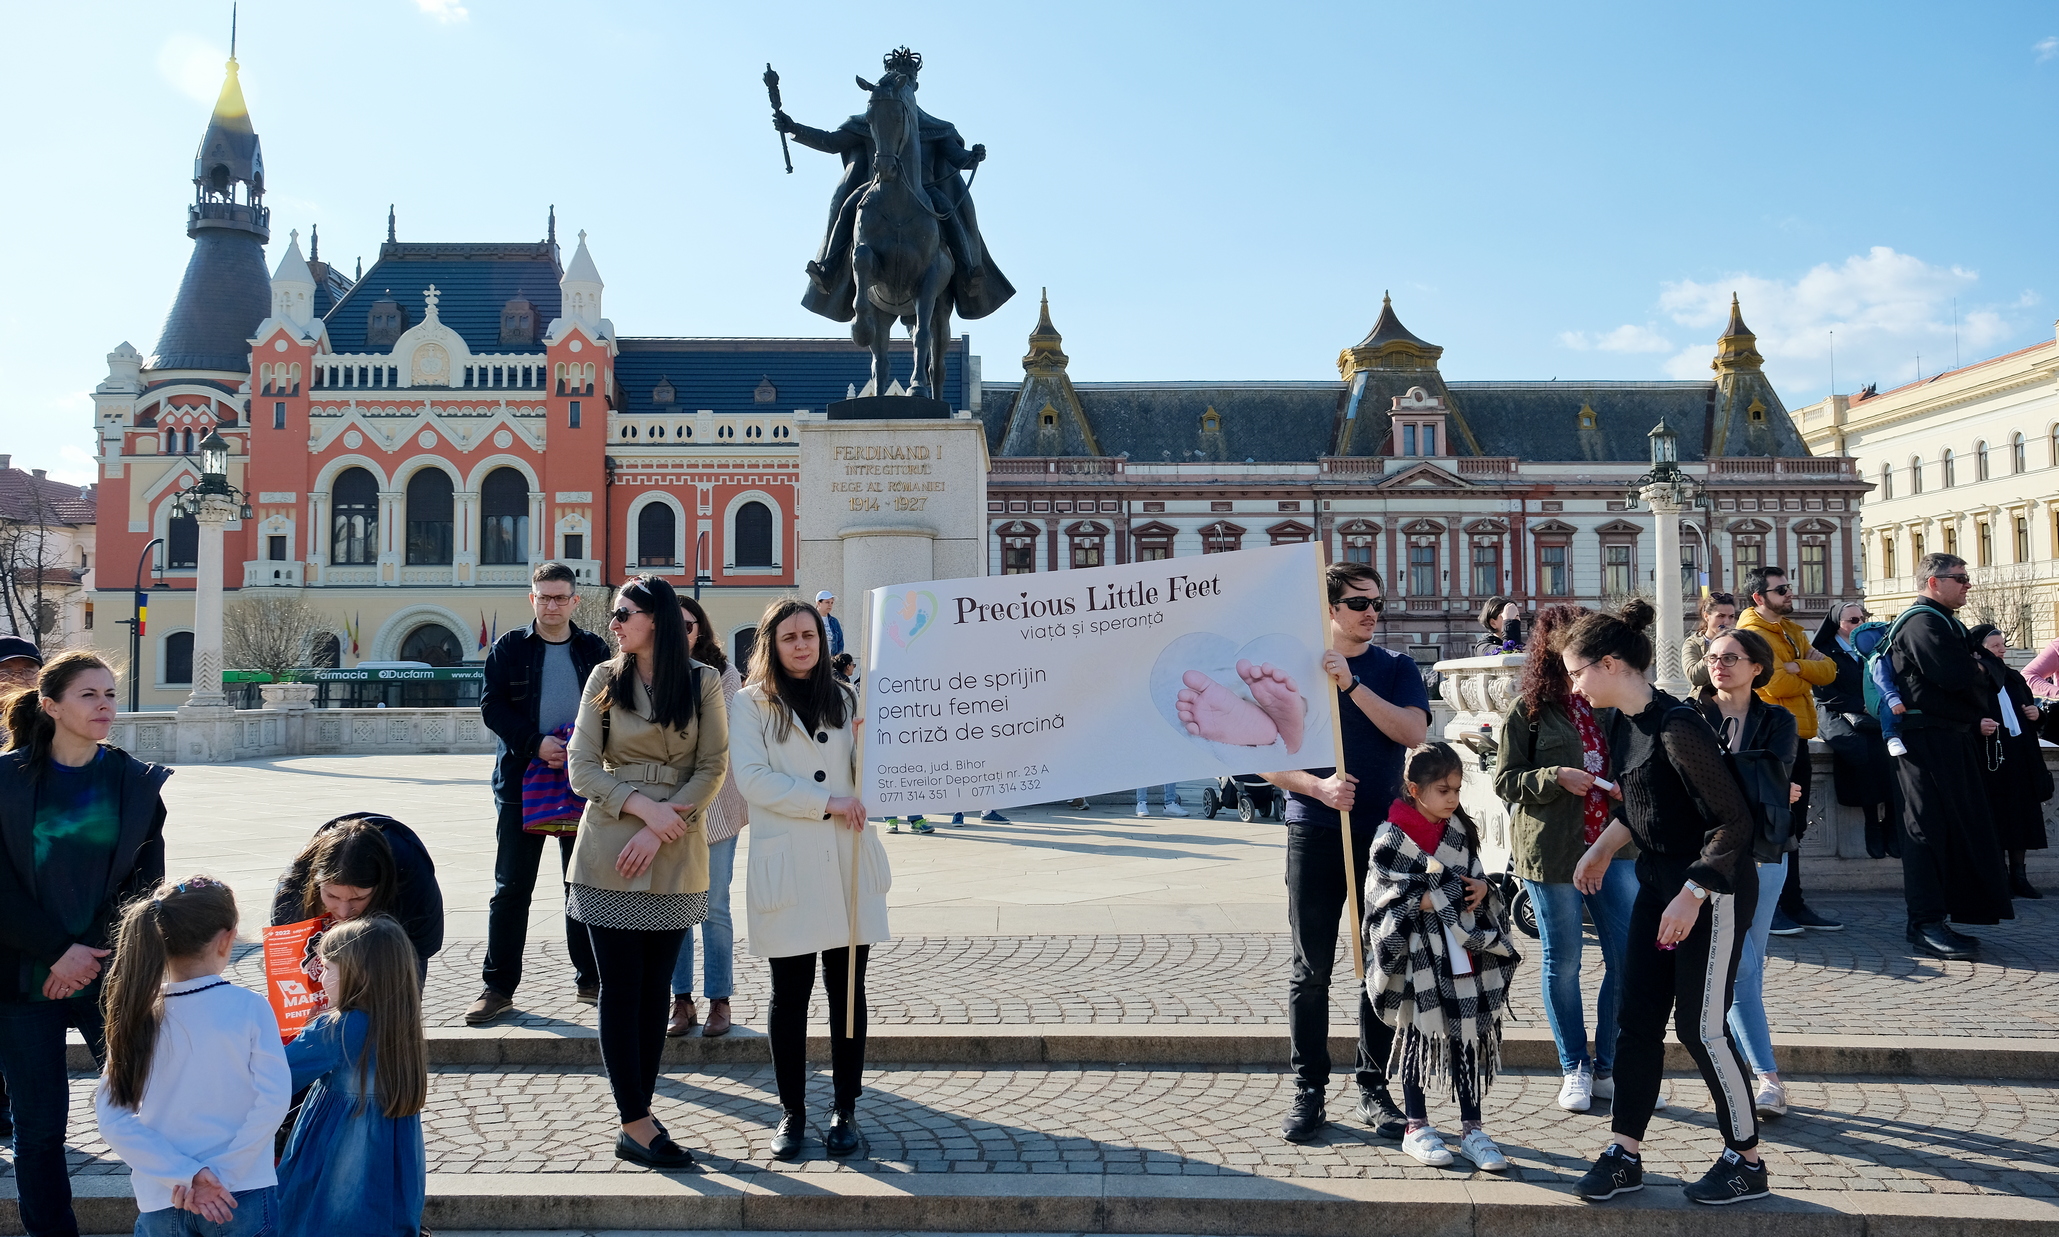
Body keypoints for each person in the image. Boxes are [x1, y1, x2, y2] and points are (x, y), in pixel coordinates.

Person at [1561, 600, 1770, 1206]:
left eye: (1577, 673)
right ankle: (1624, 1152)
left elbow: (1733, 823)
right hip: (1659, 886)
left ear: (1608, 664)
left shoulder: (1679, 726)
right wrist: (1601, 850)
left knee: (1701, 1028)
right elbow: (1642, 805)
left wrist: (1692, 894)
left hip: (1713, 890)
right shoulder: (1622, 723)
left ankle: (1747, 1161)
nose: (1574, 687)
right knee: (1637, 1022)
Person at [1257, 562, 1429, 1144]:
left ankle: (1373, 1087)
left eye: (1377, 602)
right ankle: (1309, 1089)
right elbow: (1261, 754)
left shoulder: (1396, 668)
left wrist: (1352, 685)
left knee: (1379, 962)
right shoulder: (1292, 671)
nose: (1371, 612)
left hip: (1383, 837)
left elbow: (1413, 733)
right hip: (1313, 829)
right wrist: (1316, 787)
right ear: (1329, 608)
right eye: (1358, 603)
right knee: (1311, 970)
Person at [0, 650, 168, 1237]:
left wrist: (85, 955)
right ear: (50, 706)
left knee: (150, 1109)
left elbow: (145, 885)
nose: (105, 706)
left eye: (110, 694)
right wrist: (55, 951)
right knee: (39, 1130)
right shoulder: (5, 781)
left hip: (108, 976)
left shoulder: (134, 782)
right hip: (21, 983)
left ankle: (171, 1223)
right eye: (89, 695)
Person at [565, 574, 727, 1169]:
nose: (613, 623)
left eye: (623, 612)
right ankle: (633, 1120)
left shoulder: (703, 681)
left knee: (657, 988)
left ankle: (641, 1115)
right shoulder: (604, 678)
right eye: (614, 613)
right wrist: (643, 809)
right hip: (611, 843)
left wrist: (662, 825)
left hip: (676, 844)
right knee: (621, 987)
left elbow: (713, 766)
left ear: (654, 618)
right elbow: (582, 767)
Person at [730, 597, 888, 1161]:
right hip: (791, 863)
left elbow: (868, 777)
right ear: (771, 644)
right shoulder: (751, 703)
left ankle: (846, 1107)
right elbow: (752, 778)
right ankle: (792, 1111)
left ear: (823, 641)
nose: (801, 645)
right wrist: (825, 802)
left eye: (810, 635)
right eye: (790, 637)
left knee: (847, 991)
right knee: (790, 993)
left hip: (847, 860)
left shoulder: (845, 698)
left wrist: (871, 743)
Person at [1493, 603, 1641, 1116]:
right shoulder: (1530, 710)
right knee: (1565, 960)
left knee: (1626, 956)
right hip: (1552, 849)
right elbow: (1504, 780)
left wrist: (1626, 785)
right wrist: (1553, 776)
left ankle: (1609, 1067)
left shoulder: (1613, 704)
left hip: (1615, 845)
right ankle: (1574, 1064)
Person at [95, 876, 291, 1237]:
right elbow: (274, 1099)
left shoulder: (136, 1013)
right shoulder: (249, 1007)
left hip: (163, 1195)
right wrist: (222, 1175)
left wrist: (187, 1175)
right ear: (226, 939)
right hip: (241, 1192)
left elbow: (113, 1120)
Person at [1367, 742, 1520, 1171]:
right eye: (1443, 790)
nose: (1452, 798)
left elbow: (1476, 877)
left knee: (1467, 1033)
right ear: (1415, 790)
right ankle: (1416, 1126)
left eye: (1456, 789)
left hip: (1462, 950)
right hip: (1415, 953)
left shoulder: (1458, 830)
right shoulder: (1390, 836)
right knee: (1417, 1034)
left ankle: (1472, 1129)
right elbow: (1381, 898)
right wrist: (1436, 897)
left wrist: (1483, 888)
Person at [472, 562, 611, 1024]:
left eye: (560, 597)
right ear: (532, 599)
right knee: (512, 887)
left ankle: (591, 979)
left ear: (574, 601)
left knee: (582, 884)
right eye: (544, 597)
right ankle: (497, 987)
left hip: (582, 780)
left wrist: (579, 748)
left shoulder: (594, 649)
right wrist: (536, 743)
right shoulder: (509, 648)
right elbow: (492, 706)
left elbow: (612, 706)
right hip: (520, 781)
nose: (552, 605)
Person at [1693, 628, 1800, 1121]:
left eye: (1731, 658)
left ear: (1757, 667)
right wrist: (1754, 778)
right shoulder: (1690, 713)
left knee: (1746, 964)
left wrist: (1728, 774)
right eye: (1713, 656)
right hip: (1708, 854)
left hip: (1764, 853)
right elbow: (1695, 782)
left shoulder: (1777, 719)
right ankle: (1766, 1077)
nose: (1719, 664)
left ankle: (1747, 1071)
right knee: (1741, 967)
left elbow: (1776, 777)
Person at [1885, 554, 2015, 959]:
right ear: (1933, 582)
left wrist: (1981, 667)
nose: (1967, 584)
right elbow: (1957, 676)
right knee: (1927, 831)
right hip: (1924, 743)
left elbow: (1991, 673)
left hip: (1949, 740)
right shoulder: (1922, 623)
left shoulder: (1945, 622)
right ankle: (1924, 924)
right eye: (1959, 578)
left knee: (1956, 829)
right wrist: (1980, 667)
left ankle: (1937, 918)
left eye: (1966, 577)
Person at [276, 915, 427, 1237]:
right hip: (392, 1157)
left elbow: (278, 1074)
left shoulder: (338, 1029)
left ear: (359, 975)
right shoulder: (401, 1024)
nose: (320, 978)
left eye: (328, 968)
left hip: (339, 1154)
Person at [1735, 567, 1841, 933]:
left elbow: (1830, 670)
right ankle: (1769, 907)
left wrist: (1798, 666)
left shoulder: (1792, 630)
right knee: (1772, 825)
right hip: (1771, 740)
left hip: (1800, 736)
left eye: (1788, 587)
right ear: (1759, 597)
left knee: (1794, 826)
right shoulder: (1751, 634)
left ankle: (1793, 903)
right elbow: (1774, 683)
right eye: (1781, 590)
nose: (1789, 593)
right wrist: (1802, 671)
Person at [669, 594, 747, 1039]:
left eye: (688, 625)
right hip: (669, 809)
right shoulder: (651, 671)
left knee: (714, 906)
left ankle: (720, 998)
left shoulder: (724, 673)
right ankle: (681, 1000)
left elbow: (721, 737)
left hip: (716, 807)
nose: (681, 631)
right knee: (676, 907)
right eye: (673, 623)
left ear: (700, 629)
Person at [272, 814, 444, 984]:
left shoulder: (411, 874)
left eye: (358, 898)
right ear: (316, 884)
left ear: (380, 887)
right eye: (332, 896)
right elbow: (288, 953)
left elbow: (424, 944)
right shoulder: (294, 886)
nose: (343, 911)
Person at [1812, 602, 1901, 860]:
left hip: (1873, 709)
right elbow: (1824, 694)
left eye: (1863, 618)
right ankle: (1871, 820)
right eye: (1853, 620)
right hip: (1836, 710)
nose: (1860, 624)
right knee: (1860, 748)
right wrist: (1860, 705)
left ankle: (1892, 820)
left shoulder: (1872, 646)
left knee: (1893, 746)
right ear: (1837, 624)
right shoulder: (1823, 651)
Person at [1968, 624, 2049, 900]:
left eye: (2003, 645)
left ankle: (2019, 877)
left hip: (2020, 756)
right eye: (1995, 646)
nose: (2002, 650)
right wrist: (1977, 725)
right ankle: (1999, 878)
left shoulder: (2013, 677)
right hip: (1989, 758)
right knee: (1996, 819)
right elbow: (1961, 715)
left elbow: (2030, 712)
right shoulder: (1973, 679)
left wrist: (2036, 714)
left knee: (2020, 818)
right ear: (1979, 650)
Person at [1682, 591, 1739, 693]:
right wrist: (1716, 645)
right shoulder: (1693, 643)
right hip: (1704, 699)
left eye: (1731, 616)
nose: (1726, 622)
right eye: (1721, 616)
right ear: (1706, 616)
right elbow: (1694, 677)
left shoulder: (1738, 642)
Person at [816, 590, 845, 657]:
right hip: (817, 659)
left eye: (832, 603)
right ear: (819, 603)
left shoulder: (834, 621)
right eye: (827, 602)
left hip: (831, 659)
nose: (830, 605)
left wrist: (837, 658)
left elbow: (840, 642)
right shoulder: (811, 620)